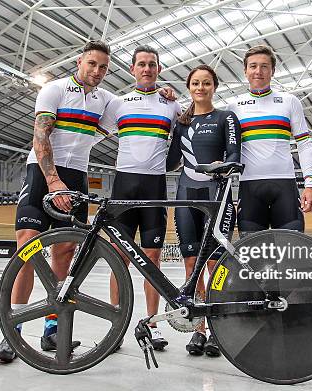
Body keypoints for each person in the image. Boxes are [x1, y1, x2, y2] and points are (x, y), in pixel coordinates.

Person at [0, 41, 175, 363]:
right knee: (28, 248)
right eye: (92, 64)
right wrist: (53, 181)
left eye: (103, 67)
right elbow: (40, 137)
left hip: (77, 176)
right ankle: (13, 331)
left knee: (65, 252)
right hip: (43, 173)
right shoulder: (54, 89)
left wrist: (166, 93)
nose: (97, 71)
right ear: (80, 61)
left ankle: (52, 328)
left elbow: (140, 110)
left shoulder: (109, 101)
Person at [98, 46, 181, 351]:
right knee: (118, 260)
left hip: (155, 187)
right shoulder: (118, 104)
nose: (147, 69)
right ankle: (115, 326)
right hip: (123, 187)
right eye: (141, 64)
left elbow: (186, 136)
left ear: (159, 69)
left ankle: (152, 324)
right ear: (132, 69)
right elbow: (92, 135)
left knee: (152, 261)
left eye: (152, 65)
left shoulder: (171, 104)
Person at [166, 64, 241, 357]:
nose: (200, 88)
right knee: (191, 266)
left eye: (206, 83)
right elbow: (171, 161)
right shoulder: (181, 122)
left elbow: (235, 154)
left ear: (214, 86)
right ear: (189, 87)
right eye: (195, 83)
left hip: (216, 197)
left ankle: (217, 330)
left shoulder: (226, 117)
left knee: (215, 267)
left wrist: (219, 168)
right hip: (186, 197)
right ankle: (198, 329)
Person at [226, 45, 312, 235]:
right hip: (249, 187)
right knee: (251, 259)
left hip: (285, 185)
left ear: (273, 71)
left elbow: (304, 144)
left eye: (264, 66)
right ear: (245, 71)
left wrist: (310, 184)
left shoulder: (289, 101)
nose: (258, 71)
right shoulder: (233, 106)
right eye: (253, 66)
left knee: (290, 255)